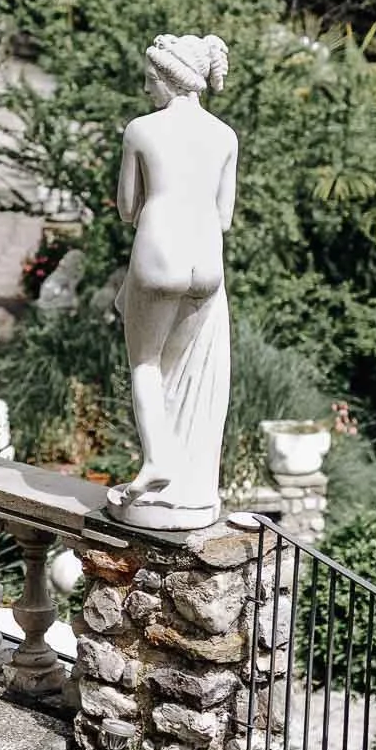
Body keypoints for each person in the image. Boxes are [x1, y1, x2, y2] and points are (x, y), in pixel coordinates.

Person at [108, 32, 236, 529]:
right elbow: (224, 217)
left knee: (146, 365)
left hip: (158, 253)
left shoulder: (141, 129)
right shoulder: (225, 135)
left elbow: (125, 208)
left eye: (149, 80)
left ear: (165, 78)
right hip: (206, 262)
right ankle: (188, 482)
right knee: (184, 371)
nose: (146, 90)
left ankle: (158, 461)